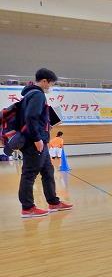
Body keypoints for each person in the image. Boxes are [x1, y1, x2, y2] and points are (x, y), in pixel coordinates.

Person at [18, 68, 73, 217]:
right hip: (34, 142)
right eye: (51, 83)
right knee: (29, 174)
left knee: (48, 172)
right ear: (44, 81)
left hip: (40, 141)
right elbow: (31, 117)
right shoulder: (37, 94)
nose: (51, 87)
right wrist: (36, 139)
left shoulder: (30, 94)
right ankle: (27, 207)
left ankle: (54, 202)